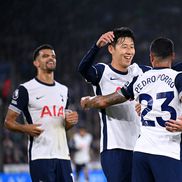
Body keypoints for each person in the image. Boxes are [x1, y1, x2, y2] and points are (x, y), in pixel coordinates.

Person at [81, 37, 182, 182]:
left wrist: (88, 101)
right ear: (173, 55)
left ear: (151, 57)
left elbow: (104, 100)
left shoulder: (140, 79)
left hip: (141, 152)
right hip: (168, 150)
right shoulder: (178, 78)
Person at [78, 27, 151, 182]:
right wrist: (97, 46)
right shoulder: (102, 71)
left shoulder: (139, 72)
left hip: (139, 147)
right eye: (124, 47)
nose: (129, 51)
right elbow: (83, 69)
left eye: (132, 47)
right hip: (114, 148)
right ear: (111, 48)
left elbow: (165, 71)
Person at [4, 44, 78, 182]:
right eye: (45, 56)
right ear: (36, 63)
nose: (51, 58)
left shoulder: (64, 90)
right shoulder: (25, 89)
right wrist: (25, 128)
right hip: (41, 156)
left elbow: (62, 126)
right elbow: (8, 122)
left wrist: (69, 122)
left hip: (63, 156)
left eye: (53, 56)